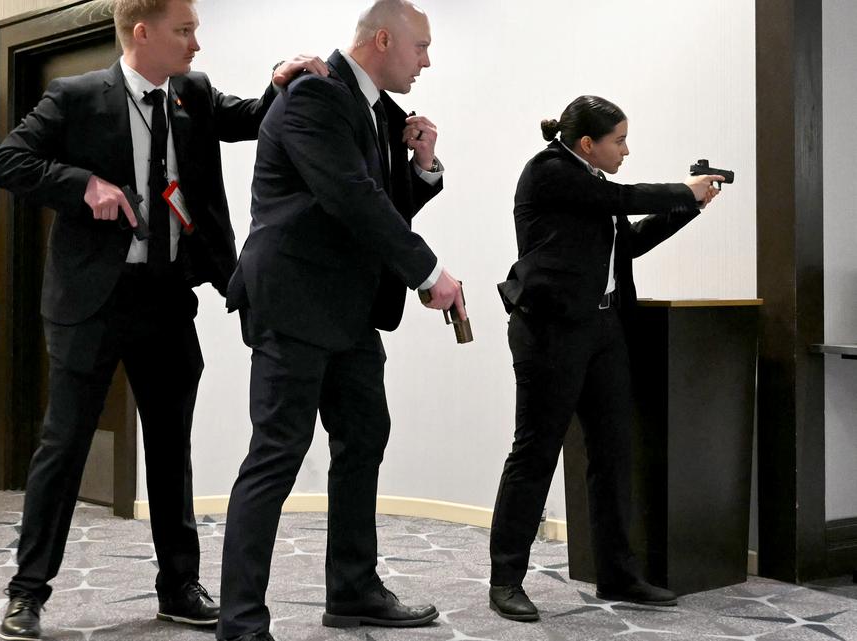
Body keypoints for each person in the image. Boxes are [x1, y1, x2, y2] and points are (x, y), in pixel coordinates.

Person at [0, 1, 327, 639]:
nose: (197, 43)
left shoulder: (190, 92)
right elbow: (6, 162)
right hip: (91, 304)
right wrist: (82, 184)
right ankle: (27, 591)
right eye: (185, 31)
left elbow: (249, 118)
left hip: (167, 297)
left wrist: (278, 81)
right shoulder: (75, 96)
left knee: (171, 449)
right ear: (142, 33)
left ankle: (178, 586)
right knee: (63, 447)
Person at [215, 2, 465, 640]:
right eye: (421, 47)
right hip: (295, 303)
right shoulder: (314, 96)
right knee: (277, 455)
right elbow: (349, 197)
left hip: (350, 312)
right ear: (383, 39)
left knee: (364, 439)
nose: (427, 61)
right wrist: (429, 274)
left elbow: (381, 204)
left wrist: (422, 169)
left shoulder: (379, 111)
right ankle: (241, 622)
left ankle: (352, 590)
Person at [488, 95, 725, 621]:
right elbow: (626, 197)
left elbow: (630, 243)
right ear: (587, 144)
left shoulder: (593, 186)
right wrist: (677, 191)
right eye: (618, 140)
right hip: (550, 331)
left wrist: (689, 205)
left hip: (602, 329)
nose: (626, 149)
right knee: (534, 455)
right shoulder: (550, 171)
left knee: (614, 454)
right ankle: (505, 580)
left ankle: (618, 573)